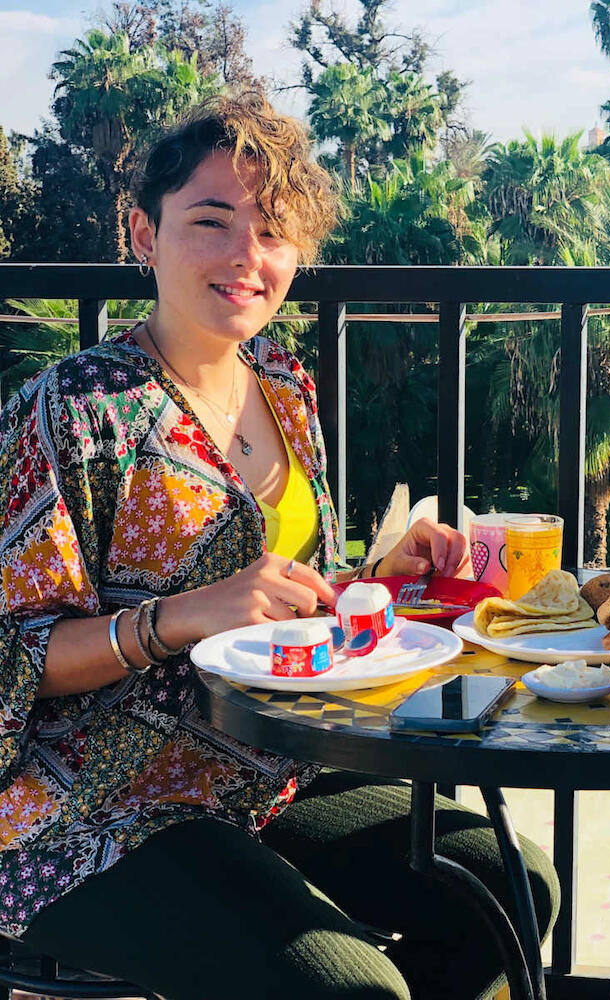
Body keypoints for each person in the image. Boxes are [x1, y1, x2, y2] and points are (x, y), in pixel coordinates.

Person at [0, 91, 557, 1000]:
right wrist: (172, 620)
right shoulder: (75, 408)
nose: (243, 258)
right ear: (143, 232)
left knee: (512, 890)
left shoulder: (284, 384)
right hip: (88, 801)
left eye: (271, 232)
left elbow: (276, 595)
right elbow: (9, 652)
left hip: (270, 766)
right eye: (210, 222)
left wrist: (374, 579)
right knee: (351, 992)